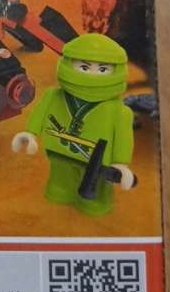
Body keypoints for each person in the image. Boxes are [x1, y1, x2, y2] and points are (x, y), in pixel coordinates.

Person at [11, 33, 136, 215]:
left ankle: (96, 201)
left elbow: (123, 138)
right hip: (59, 153)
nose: (92, 75)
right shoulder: (53, 96)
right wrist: (29, 133)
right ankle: (61, 189)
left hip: (96, 163)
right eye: (84, 67)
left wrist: (120, 164)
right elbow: (39, 114)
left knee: (96, 190)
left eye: (102, 69)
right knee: (60, 179)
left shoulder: (119, 111)